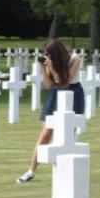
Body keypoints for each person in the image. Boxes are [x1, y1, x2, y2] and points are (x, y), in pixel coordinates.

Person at [16, 39, 84, 183]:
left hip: (72, 93)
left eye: (50, 55)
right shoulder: (48, 62)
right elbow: (49, 86)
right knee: (46, 132)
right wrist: (43, 68)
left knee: (69, 134)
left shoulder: (75, 59)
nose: (48, 57)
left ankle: (68, 171)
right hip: (55, 94)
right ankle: (31, 170)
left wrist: (53, 69)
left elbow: (65, 83)